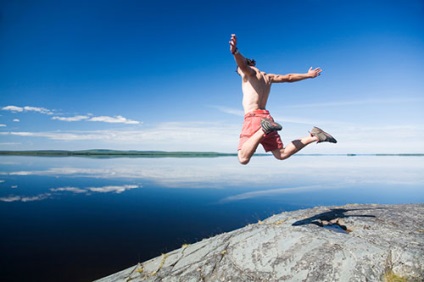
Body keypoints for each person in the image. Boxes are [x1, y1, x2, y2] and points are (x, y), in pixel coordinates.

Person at [229, 34, 337, 165]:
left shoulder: (249, 73)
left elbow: (242, 64)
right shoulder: (268, 77)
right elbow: (289, 77)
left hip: (253, 118)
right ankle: (314, 136)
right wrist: (308, 75)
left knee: (243, 159)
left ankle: (264, 129)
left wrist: (235, 52)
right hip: (266, 118)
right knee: (281, 154)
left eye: (237, 71)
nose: (238, 72)